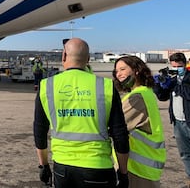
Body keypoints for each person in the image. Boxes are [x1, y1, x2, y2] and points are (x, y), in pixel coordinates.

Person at [34, 38, 129, 188]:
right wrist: (123, 173)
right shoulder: (106, 86)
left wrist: (44, 166)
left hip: (63, 167)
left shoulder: (47, 86)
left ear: (63, 56)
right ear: (88, 59)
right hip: (98, 167)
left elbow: (39, 131)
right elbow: (120, 134)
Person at [113, 56, 166, 188]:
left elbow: (115, 125)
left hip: (138, 169)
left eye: (123, 69)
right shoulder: (143, 92)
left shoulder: (138, 97)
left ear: (136, 70)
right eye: (116, 71)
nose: (119, 74)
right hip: (144, 167)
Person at [153, 52, 190, 187]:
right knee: (185, 154)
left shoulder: (187, 78)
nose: (176, 69)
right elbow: (163, 97)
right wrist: (158, 84)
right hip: (178, 122)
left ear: (185, 65)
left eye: (178, 66)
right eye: (173, 66)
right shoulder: (173, 79)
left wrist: (178, 85)